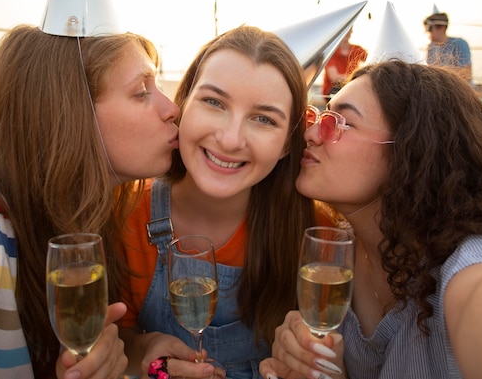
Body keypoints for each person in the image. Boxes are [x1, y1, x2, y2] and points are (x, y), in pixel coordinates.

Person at [260, 60, 482, 379]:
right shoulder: (338, 247)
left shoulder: (473, 267)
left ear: (410, 151)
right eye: (319, 116)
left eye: (339, 122)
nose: (310, 132)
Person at [0, 25, 180, 379]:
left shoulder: (90, 215)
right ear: (68, 109)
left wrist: (135, 349)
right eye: (142, 91)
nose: (172, 108)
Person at [119, 25, 340, 379]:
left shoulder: (317, 236)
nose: (230, 138)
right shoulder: (128, 216)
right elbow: (119, 339)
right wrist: (143, 351)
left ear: (287, 144)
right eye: (213, 102)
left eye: (264, 119)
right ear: (183, 104)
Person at [424, 12, 473, 83]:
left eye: (430, 28)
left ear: (442, 28)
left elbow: (466, 75)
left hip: (460, 91)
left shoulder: (459, 44)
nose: (427, 32)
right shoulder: (431, 47)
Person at [321, 28, 367, 97]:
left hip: (352, 86)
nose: (347, 31)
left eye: (349, 29)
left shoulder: (357, 49)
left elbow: (372, 60)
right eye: (346, 29)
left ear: (351, 31)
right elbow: (334, 78)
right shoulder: (331, 51)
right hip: (333, 88)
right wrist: (358, 77)